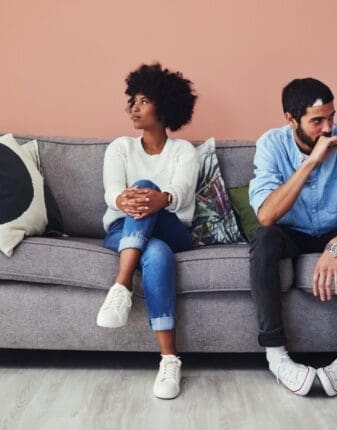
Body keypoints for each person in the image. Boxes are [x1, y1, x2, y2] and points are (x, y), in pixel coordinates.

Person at [248, 77, 337, 397]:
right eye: (317, 121)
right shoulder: (271, 144)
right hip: (290, 232)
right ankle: (277, 357)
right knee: (264, 238)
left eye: (332, 117)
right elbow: (267, 215)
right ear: (290, 119)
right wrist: (311, 162)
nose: (328, 128)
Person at [96, 63, 199, 400]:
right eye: (133, 101)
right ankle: (169, 360)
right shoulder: (120, 148)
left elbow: (180, 193)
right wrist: (126, 199)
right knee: (154, 252)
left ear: (165, 106)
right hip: (123, 229)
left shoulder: (184, 151)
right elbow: (112, 193)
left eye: (143, 101)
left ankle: (122, 284)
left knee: (144, 186)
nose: (133, 108)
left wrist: (160, 198)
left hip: (174, 228)